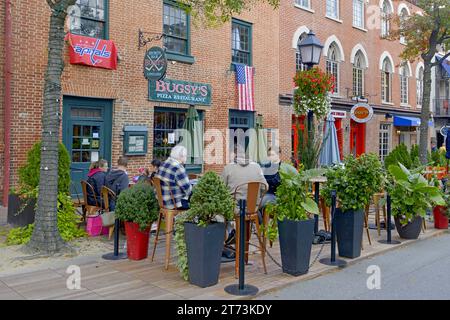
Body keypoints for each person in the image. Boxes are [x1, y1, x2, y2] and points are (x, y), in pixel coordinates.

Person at [221, 145, 268, 247]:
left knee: (219, 212)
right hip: (253, 209)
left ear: (234, 155)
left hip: (235, 209)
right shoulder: (257, 167)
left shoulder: (228, 168)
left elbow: (221, 190)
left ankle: (226, 240)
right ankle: (239, 239)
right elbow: (265, 187)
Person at [155, 146, 192, 210]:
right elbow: (188, 189)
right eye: (186, 156)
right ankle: (189, 219)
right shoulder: (178, 168)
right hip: (174, 203)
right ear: (181, 156)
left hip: (161, 201)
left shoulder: (163, 164)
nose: (186, 157)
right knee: (197, 197)